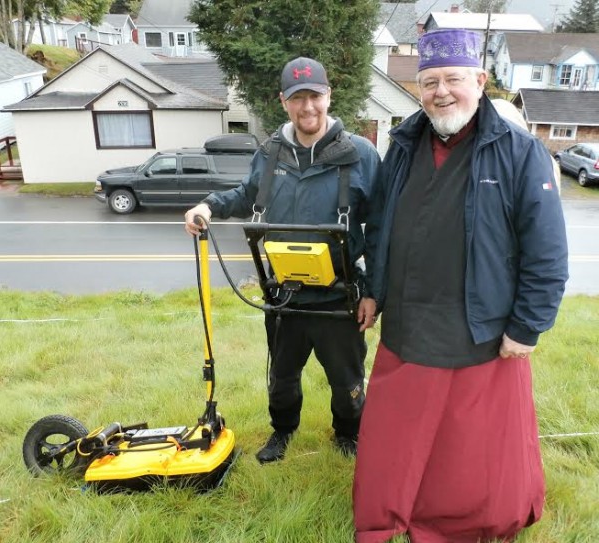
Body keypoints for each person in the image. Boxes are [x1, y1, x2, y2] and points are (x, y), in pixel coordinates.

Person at [353, 29, 568, 543]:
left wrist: (527, 326)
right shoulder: (402, 147)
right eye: (429, 82)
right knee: (398, 436)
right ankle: (392, 507)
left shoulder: (520, 153)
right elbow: (381, 226)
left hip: (482, 330)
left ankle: (465, 518)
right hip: (408, 323)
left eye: (452, 78)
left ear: (480, 79)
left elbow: (547, 252)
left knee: (469, 445)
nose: (441, 92)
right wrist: (373, 290)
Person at [184, 57, 380, 463]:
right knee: (282, 379)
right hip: (284, 297)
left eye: (315, 96)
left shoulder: (359, 154)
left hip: (340, 296)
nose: (308, 107)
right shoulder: (271, 153)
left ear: (329, 96)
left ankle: (347, 433)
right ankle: (282, 431)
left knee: (347, 383)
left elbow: (380, 229)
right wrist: (207, 206)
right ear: (283, 102)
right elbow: (244, 194)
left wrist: (375, 294)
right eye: (298, 99)